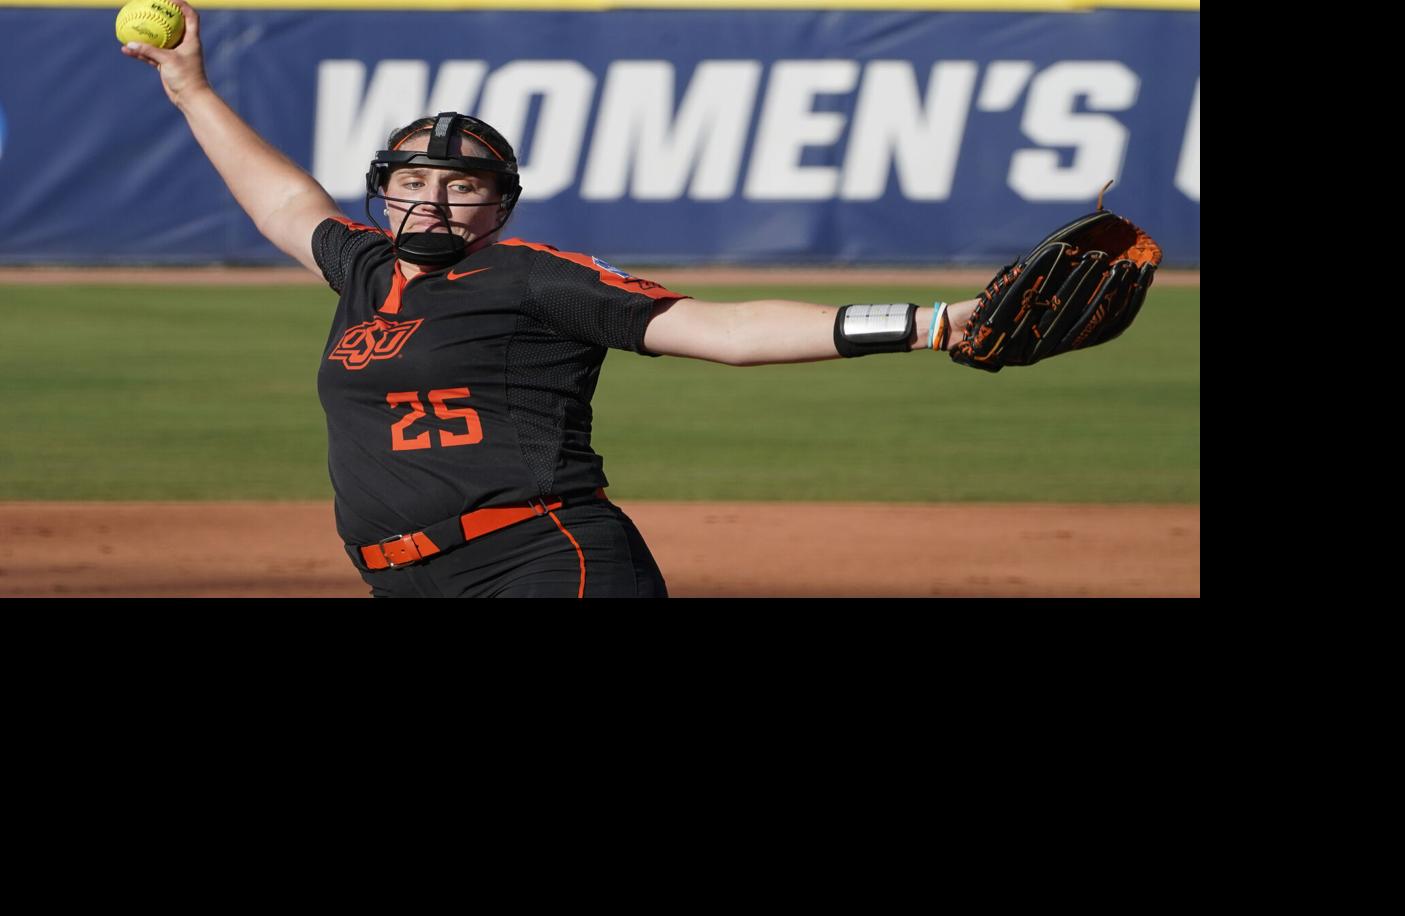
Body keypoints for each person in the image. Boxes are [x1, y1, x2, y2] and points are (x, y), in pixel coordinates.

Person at [123, 0, 976, 598]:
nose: (434, 199)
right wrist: (190, 88)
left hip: (540, 563)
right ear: (384, 189)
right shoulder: (367, 271)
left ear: (499, 202)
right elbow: (283, 204)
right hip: (404, 581)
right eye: (414, 179)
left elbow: (726, 329)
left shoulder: (534, 276)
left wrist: (934, 324)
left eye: (463, 185)